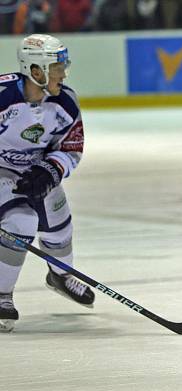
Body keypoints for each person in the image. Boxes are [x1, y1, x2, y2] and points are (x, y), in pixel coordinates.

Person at [0, 34, 95, 332]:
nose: (63, 73)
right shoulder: (2, 95)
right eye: (57, 67)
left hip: (35, 169)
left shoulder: (64, 101)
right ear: (36, 70)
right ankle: (2, 293)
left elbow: (70, 147)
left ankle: (60, 275)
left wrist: (52, 170)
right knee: (21, 223)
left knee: (58, 221)